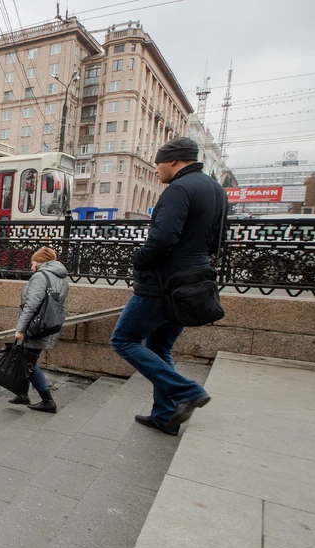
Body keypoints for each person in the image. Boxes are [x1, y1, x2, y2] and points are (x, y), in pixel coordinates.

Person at [110, 137, 225, 436]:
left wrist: (139, 260)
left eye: (158, 163)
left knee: (123, 340)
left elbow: (161, 240)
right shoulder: (215, 189)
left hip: (164, 283)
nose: (157, 169)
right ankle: (164, 416)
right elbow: (217, 240)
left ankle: (187, 390)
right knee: (160, 346)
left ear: (172, 160)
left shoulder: (179, 189)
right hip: (196, 281)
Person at [9, 247, 70, 413]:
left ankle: (47, 400)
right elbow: (62, 307)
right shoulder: (62, 278)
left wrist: (21, 329)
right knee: (26, 360)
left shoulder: (40, 277)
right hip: (48, 327)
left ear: (41, 262)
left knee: (27, 361)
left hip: (34, 327)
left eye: (33, 262)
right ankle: (22, 393)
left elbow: (31, 305)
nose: (31, 266)